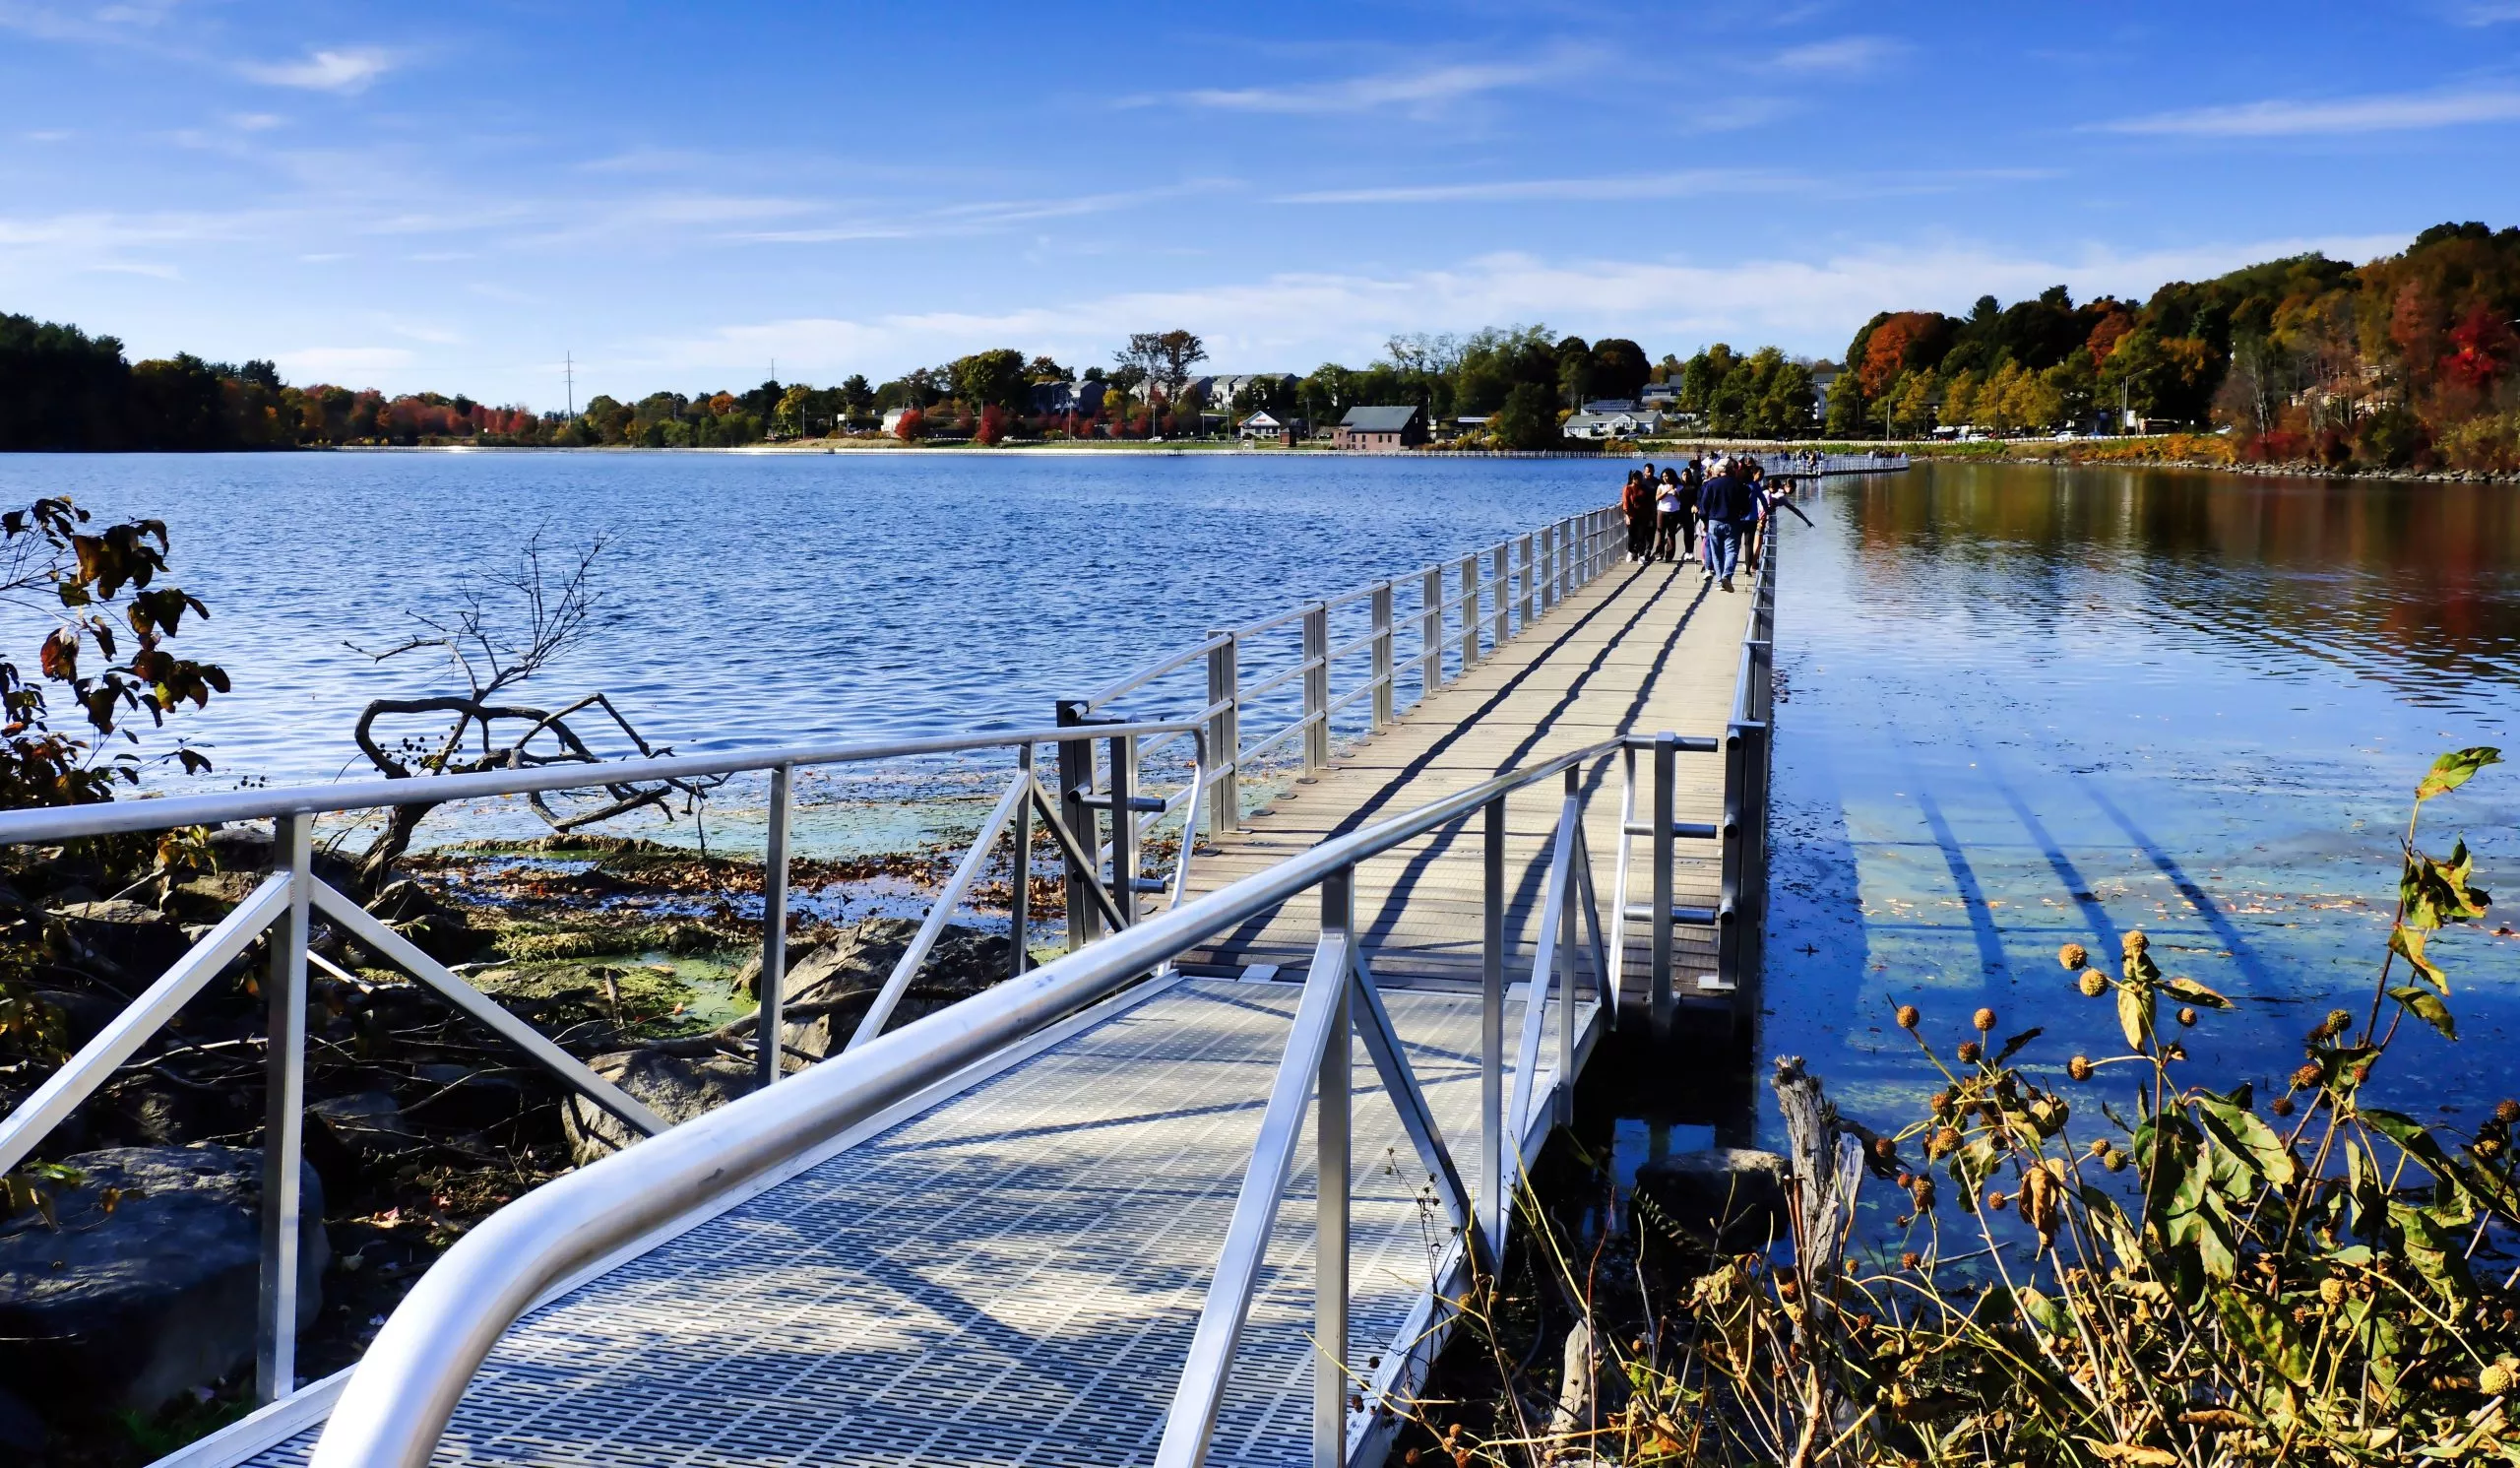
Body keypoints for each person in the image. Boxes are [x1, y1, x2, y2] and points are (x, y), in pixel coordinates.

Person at [1699, 458, 1749, 592]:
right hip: (1733, 521)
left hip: (1714, 521)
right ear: (1732, 469)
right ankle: (1727, 575)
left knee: (1716, 552)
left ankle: (1720, 580)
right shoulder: (1740, 485)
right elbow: (1747, 506)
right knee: (1731, 550)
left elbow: (1703, 506)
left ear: (1719, 470)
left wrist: (1704, 521)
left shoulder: (1711, 484)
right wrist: (1741, 514)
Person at [1620, 470, 1656, 563]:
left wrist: (1651, 516)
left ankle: (1641, 555)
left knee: (1641, 536)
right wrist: (1627, 516)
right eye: (1638, 478)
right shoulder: (1627, 489)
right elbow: (1625, 503)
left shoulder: (1644, 488)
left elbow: (1649, 502)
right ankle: (1630, 551)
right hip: (1632, 515)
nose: (1640, 480)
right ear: (1633, 479)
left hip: (1643, 515)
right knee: (1632, 535)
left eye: (1641, 478)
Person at [1651, 469, 1684, 561]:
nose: (1665, 478)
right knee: (1660, 532)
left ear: (1671, 476)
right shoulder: (1661, 486)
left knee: (1671, 533)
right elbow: (1657, 498)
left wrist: (1675, 494)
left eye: (1666, 476)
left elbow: (1682, 500)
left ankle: (1669, 555)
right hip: (1662, 511)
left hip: (1674, 512)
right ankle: (1659, 553)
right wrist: (1667, 491)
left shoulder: (1679, 486)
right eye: (1663, 476)